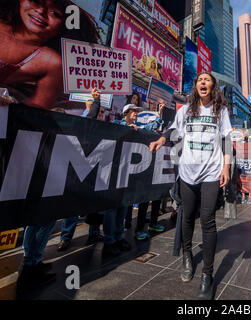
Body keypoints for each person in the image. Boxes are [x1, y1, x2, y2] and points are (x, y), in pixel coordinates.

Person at [149, 72, 232, 300]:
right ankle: (187, 255)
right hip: (187, 172)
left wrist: (226, 168)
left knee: (208, 220)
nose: (203, 82)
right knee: (186, 217)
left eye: (207, 79)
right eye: (199, 80)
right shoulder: (185, 110)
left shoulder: (220, 110)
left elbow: (227, 139)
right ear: (195, 86)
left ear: (212, 85)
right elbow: (172, 131)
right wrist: (160, 140)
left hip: (211, 172)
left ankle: (207, 274)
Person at [0, 0, 100, 109]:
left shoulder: (53, 63)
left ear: (64, 24)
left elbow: (33, 114)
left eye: (55, 13)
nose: (41, 11)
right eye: (36, 1)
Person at [57, 88, 104, 252]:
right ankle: (65, 237)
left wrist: (96, 102)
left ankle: (94, 232)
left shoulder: (93, 125)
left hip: (91, 171)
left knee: (94, 205)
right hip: (74, 173)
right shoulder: (71, 127)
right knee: (71, 208)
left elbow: (91, 117)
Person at [114, 103, 165, 241]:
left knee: (127, 202)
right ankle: (114, 235)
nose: (136, 113)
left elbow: (153, 127)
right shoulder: (117, 124)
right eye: (133, 111)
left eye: (137, 111)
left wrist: (159, 113)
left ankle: (120, 234)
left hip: (134, 171)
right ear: (126, 113)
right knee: (117, 206)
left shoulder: (140, 128)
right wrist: (125, 129)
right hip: (119, 171)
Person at [238, 128, 251, 204]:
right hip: (241, 162)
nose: (241, 134)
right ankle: (243, 195)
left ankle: (250, 196)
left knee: (249, 179)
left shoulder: (250, 140)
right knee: (241, 179)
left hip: (249, 162)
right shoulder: (239, 141)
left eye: (242, 133)